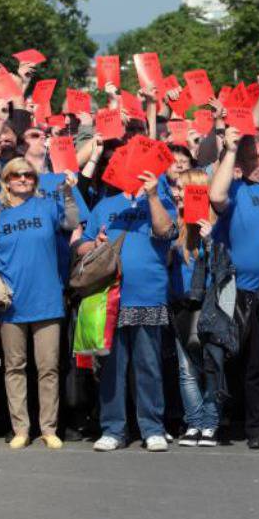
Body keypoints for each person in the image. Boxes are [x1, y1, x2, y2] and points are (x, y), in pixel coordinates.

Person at [0, 159, 79, 449]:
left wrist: (68, 194)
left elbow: (72, 223)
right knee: (14, 368)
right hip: (10, 303)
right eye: (17, 174)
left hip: (47, 299)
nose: (23, 179)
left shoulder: (48, 206)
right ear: (7, 180)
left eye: (28, 174)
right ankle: (21, 429)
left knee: (48, 368)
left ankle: (48, 429)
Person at [78, 167, 177, 452]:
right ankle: (113, 428)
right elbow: (82, 245)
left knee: (149, 365)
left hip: (148, 294)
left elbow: (166, 232)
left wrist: (154, 196)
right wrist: (94, 244)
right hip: (109, 297)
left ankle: (152, 428)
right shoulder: (105, 205)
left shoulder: (162, 200)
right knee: (112, 367)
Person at [209, 128, 259, 448]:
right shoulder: (235, 189)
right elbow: (216, 196)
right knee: (232, 358)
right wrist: (232, 149)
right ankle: (225, 418)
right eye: (257, 157)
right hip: (237, 290)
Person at [169, 169, 222, 448]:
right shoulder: (172, 223)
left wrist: (210, 239)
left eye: (181, 188)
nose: (176, 192)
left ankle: (211, 424)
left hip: (211, 304)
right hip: (182, 303)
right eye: (176, 188)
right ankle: (194, 422)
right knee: (187, 368)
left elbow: (225, 265)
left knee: (212, 367)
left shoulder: (217, 224)